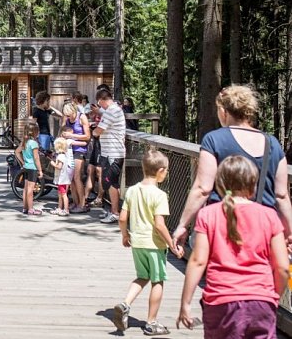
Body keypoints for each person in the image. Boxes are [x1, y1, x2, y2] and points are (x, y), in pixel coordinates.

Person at [177, 155, 289, 338]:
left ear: (219, 185)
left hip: (220, 301)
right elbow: (283, 267)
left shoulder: (207, 214)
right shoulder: (269, 216)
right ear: (253, 185)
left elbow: (198, 261)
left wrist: (185, 303)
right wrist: (272, 296)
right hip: (261, 301)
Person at [172, 85, 292, 249]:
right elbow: (282, 195)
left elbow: (203, 188)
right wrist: (289, 233)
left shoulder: (214, 140)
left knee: (198, 246)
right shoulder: (272, 143)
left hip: (223, 227)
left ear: (223, 110)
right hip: (262, 231)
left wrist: (182, 225)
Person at [113, 149, 183, 335]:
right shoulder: (160, 195)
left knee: (142, 276)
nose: (166, 174)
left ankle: (125, 303)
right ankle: (151, 322)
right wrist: (172, 245)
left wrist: (125, 236)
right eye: (166, 171)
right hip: (154, 245)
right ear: (160, 171)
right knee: (157, 281)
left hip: (137, 242)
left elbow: (122, 218)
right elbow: (159, 225)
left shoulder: (132, 190)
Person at [93, 88, 126, 224]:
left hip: (113, 153)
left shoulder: (111, 111)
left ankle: (115, 212)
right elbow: (106, 116)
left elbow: (98, 131)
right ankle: (113, 210)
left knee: (112, 183)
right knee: (109, 182)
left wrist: (94, 131)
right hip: (110, 152)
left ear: (102, 100)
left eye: (99, 103)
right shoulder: (113, 110)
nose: (100, 106)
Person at [61, 103, 91, 213]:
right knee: (71, 178)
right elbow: (63, 130)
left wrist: (72, 136)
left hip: (80, 150)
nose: (68, 117)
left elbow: (87, 136)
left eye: (69, 115)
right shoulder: (67, 120)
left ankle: (82, 204)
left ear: (74, 111)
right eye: (66, 115)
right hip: (69, 150)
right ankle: (76, 202)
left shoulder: (82, 117)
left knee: (77, 177)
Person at [15, 122, 43, 216]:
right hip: (33, 168)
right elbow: (36, 158)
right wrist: (40, 170)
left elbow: (17, 152)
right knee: (31, 189)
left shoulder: (24, 142)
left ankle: (25, 207)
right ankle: (31, 209)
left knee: (25, 189)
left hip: (26, 167)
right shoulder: (34, 143)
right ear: (35, 132)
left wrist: (23, 162)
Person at [49, 137, 72, 216]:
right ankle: (60, 208)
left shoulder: (60, 157)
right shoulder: (63, 155)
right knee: (60, 194)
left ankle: (66, 209)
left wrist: (53, 164)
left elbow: (59, 167)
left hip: (62, 179)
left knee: (63, 194)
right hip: (62, 178)